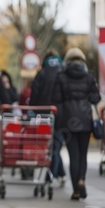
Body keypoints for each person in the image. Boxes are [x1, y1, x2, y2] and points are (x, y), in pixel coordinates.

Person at [52, 47, 101, 200]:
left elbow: (56, 99)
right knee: (83, 155)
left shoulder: (61, 76)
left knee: (73, 156)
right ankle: (81, 180)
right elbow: (96, 98)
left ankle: (75, 190)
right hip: (85, 119)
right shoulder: (88, 76)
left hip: (68, 120)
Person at [29, 50, 66, 184]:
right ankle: (59, 174)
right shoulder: (64, 71)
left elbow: (34, 95)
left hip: (43, 114)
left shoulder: (42, 73)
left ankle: (50, 176)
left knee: (47, 145)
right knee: (55, 145)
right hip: (61, 114)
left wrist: (33, 109)